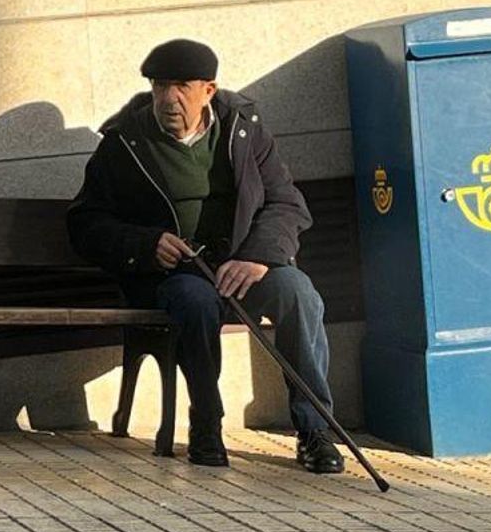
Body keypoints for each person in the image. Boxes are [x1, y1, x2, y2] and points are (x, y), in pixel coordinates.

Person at [67, 39, 345, 474]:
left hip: (243, 266)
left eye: (182, 86)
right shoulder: (124, 143)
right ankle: (206, 423)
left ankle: (315, 429)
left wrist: (257, 257)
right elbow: (86, 223)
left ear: (209, 91)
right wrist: (145, 244)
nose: (169, 98)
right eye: (160, 86)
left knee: (299, 292)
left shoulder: (246, 131)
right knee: (194, 303)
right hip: (177, 274)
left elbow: (286, 203)